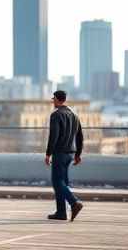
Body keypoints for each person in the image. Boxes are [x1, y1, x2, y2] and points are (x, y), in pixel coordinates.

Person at [44, 90, 84, 221]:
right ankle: (61, 213)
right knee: (63, 182)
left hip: (60, 153)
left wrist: (48, 153)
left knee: (57, 182)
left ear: (57, 99)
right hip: (70, 154)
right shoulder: (74, 115)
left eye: (53, 99)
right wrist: (78, 154)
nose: (52, 101)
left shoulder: (56, 115)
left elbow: (53, 136)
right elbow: (80, 137)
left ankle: (74, 203)